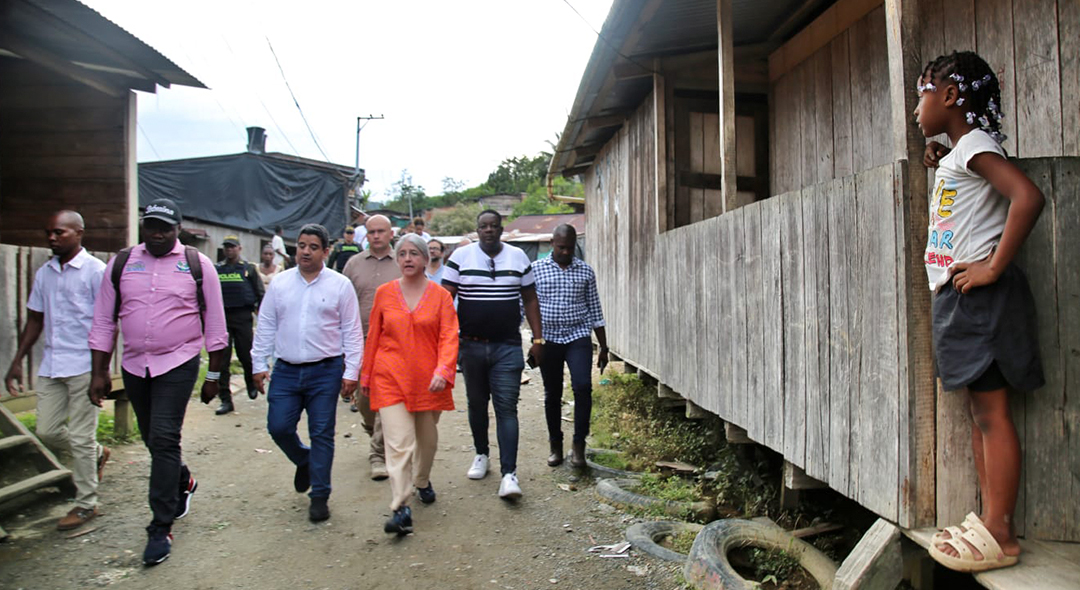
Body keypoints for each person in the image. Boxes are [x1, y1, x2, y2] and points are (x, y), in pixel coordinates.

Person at [916, 51, 1045, 573]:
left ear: (949, 97)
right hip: (961, 297)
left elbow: (1027, 197)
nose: (916, 109)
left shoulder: (974, 145)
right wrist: (939, 154)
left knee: (993, 415)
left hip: (981, 297)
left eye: (922, 94)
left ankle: (1001, 531)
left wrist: (992, 267)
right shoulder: (960, 150)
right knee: (980, 414)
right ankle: (993, 523)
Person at [88, 198, 228, 566]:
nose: (157, 234)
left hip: (178, 362)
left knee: (165, 436)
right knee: (154, 438)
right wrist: (99, 372)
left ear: (178, 229)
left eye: (165, 228)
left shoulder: (198, 265)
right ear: (143, 227)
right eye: (151, 226)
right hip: (135, 365)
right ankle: (183, 479)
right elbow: (104, 321)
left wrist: (213, 375)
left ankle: (160, 525)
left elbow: (214, 323)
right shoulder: (121, 263)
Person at [4, 210, 110, 531]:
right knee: (47, 431)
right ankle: (97, 453)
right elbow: (35, 318)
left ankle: (86, 503)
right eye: (49, 232)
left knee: (79, 436)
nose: (52, 238)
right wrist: (17, 360)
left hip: (84, 366)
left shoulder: (96, 272)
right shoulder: (45, 273)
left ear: (79, 233)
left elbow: (107, 323)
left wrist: (100, 371)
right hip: (52, 363)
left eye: (59, 232)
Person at [251, 224, 363, 523]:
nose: (306, 251)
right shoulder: (280, 284)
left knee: (322, 433)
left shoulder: (340, 285)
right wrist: (258, 364)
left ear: (325, 251)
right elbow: (266, 325)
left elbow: (351, 332)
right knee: (278, 427)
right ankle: (304, 459)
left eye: (313, 247)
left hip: (325, 370)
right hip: (286, 370)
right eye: (301, 245)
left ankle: (320, 495)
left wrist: (351, 371)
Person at [441, 210, 543, 500]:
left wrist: (538, 339)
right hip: (470, 346)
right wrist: (445, 342)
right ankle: (481, 454)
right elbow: (444, 299)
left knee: (507, 408)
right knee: (476, 404)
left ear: (501, 229)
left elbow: (530, 299)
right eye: (483, 226)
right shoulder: (460, 258)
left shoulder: (518, 257)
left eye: (493, 226)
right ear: (477, 230)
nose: (488, 230)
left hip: (507, 346)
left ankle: (509, 474)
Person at [361, 234, 458, 535]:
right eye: (401, 253)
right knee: (399, 443)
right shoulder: (384, 293)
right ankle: (401, 506)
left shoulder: (440, 296)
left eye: (413, 253)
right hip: (390, 378)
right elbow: (374, 337)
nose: (407, 259)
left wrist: (443, 370)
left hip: (430, 381)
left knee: (426, 440)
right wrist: (366, 377)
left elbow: (449, 336)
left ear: (426, 259)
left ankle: (422, 481)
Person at [533, 224, 608, 469]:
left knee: (583, 386)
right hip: (549, 339)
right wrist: (535, 342)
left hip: (578, 336)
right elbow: (527, 308)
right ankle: (556, 444)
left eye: (569, 247)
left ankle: (579, 446)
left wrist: (604, 347)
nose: (565, 252)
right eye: (561, 247)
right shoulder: (535, 270)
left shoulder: (585, 272)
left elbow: (595, 309)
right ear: (552, 243)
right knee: (552, 393)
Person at [341, 214, 399, 480]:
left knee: (388, 399)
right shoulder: (353, 265)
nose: (376, 236)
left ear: (390, 234)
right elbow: (340, 303)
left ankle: (378, 454)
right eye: (371, 232)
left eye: (380, 231)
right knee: (364, 401)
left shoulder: (403, 261)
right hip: (361, 340)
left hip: (396, 342)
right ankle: (374, 430)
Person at [214, 235, 264, 414]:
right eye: (226, 247)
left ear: (239, 249)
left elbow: (260, 293)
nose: (229, 250)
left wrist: (261, 314)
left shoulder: (248, 269)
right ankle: (225, 399)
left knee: (246, 355)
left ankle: (251, 383)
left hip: (243, 318)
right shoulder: (217, 269)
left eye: (232, 247)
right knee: (222, 362)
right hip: (223, 319)